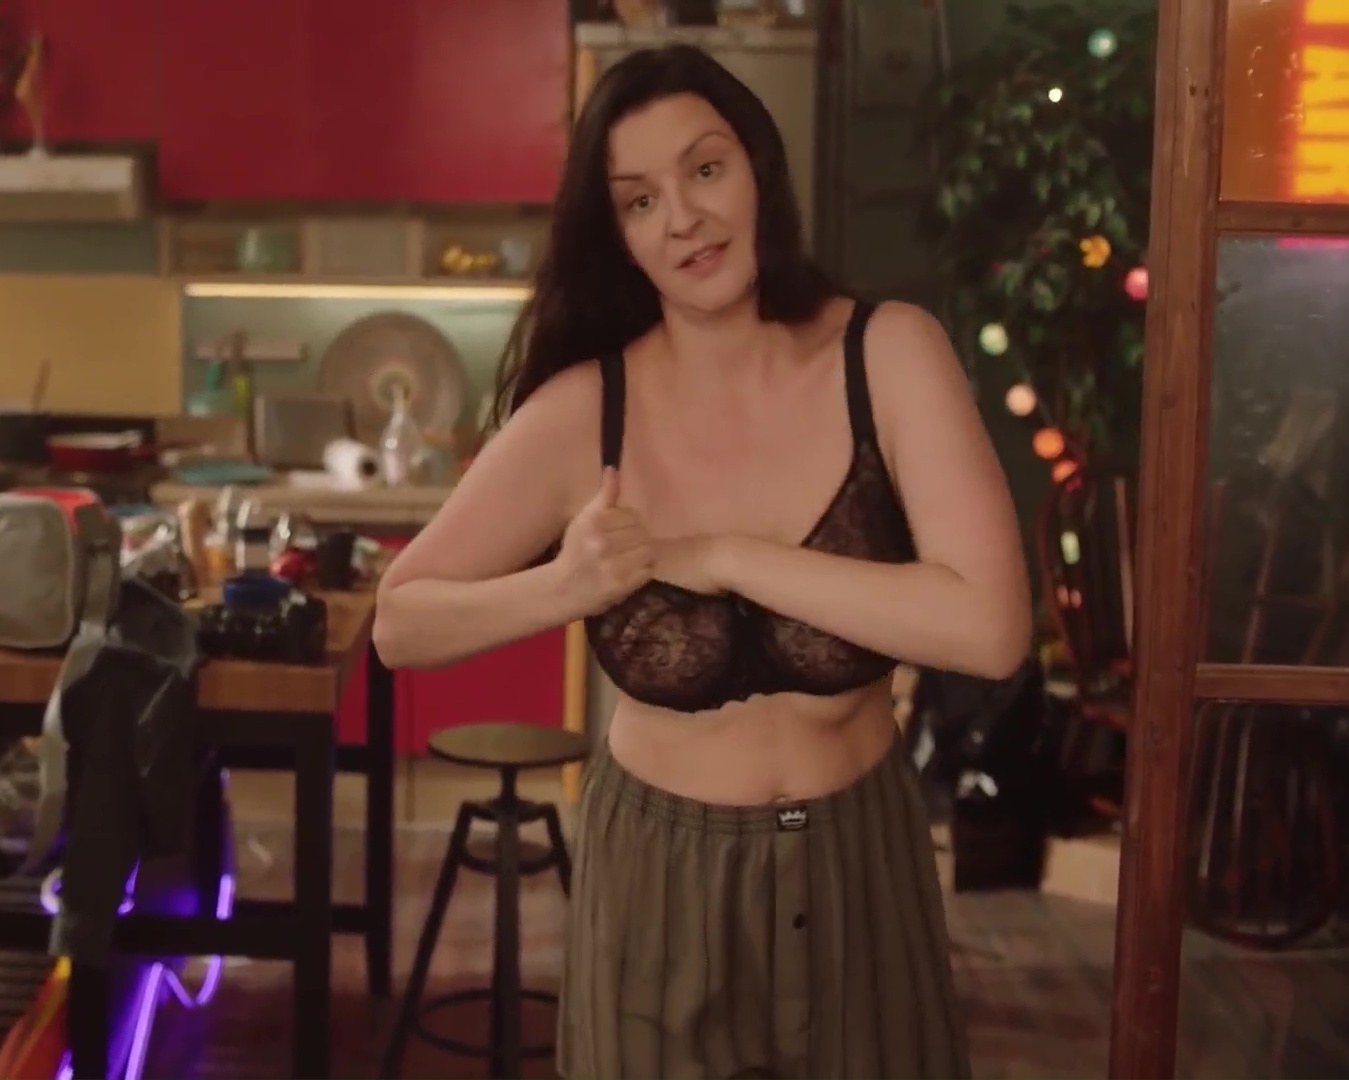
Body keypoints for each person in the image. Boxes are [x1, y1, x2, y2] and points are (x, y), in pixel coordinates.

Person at [372, 44, 1031, 1080]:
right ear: (619, 237)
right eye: (640, 201)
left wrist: (727, 556)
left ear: (758, 168)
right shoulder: (586, 410)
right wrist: (566, 587)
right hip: (658, 879)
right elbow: (399, 623)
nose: (682, 218)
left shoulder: (888, 354)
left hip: (857, 861)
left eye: (706, 169)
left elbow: (990, 630)